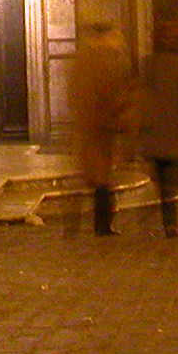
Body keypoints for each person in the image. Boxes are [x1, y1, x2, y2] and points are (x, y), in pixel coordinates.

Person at [65, 21, 134, 236]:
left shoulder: (83, 57)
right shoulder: (105, 58)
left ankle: (88, 226)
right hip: (100, 126)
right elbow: (109, 90)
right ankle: (101, 225)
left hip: (91, 126)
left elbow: (75, 93)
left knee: (95, 178)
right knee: (100, 179)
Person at [135, 21, 178, 236]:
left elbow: (140, 97)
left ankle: (170, 223)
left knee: (165, 183)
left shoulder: (148, 64)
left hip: (156, 133)